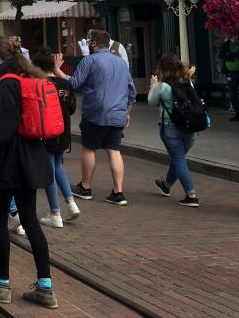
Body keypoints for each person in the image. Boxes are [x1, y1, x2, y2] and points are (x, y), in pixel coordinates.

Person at [0, 36, 56, 309]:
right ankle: (45, 286)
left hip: (8, 163)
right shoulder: (23, 76)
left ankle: (2, 283)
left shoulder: (6, 83)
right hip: (29, 158)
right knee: (29, 219)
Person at [54, 29, 136, 206]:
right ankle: (118, 192)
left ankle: (85, 187)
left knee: (89, 148)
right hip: (118, 114)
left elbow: (75, 83)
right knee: (114, 151)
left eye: (90, 41)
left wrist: (58, 71)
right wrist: (127, 112)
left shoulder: (89, 60)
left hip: (96, 112)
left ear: (94, 44)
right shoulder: (121, 63)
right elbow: (132, 92)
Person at [32, 49, 80, 227]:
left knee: (49, 171)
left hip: (47, 132)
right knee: (58, 166)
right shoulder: (65, 84)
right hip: (64, 132)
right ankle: (71, 202)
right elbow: (72, 108)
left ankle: (55, 212)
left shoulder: (40, 84)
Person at [148, 54, 200, 207]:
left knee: (178, 159)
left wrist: (153, 85)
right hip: (190, 128)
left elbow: (151, 102)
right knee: (178, 158)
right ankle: (167, 185)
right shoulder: (187, 83)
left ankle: (191, 195)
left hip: (170, 128)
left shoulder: (162, 86)